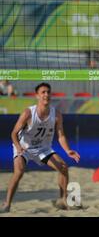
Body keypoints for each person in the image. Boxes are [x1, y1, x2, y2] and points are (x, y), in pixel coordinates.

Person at [0, 83, 80, 213]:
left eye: (48, 92)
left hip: (43, 149)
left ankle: (62, 200)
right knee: (19, 171)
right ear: (37, 95)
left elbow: (61, 136)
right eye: (43, 92)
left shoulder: (57, 114)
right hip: (24, 147)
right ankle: (7, 204)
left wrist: (67, 150)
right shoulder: (28, 112)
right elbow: (13, 133)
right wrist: (19, 147)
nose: (46, 95)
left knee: (64, 167)